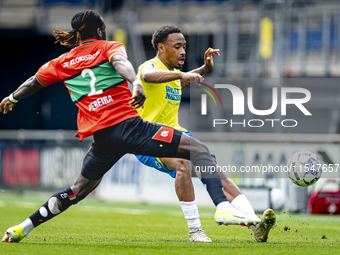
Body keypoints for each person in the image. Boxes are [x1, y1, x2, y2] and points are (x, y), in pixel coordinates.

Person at [0, 10, 258, 244]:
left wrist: (12, 98)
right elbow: (122, 64)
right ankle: (222, 206)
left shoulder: (61, 62)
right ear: (100, 30)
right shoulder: (109, 47)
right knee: (199, 150)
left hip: (103, 138)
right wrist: (134, 81)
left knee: (77, 190)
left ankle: (25, 226)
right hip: (130, 127)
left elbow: (33, 82)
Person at [134, 25, 276, 242]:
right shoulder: (150, 67)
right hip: (149, 137)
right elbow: (147, 75)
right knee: (183, 165)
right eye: (177, 46)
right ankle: (195, 231)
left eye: (185, 47)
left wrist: (205, 68)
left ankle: (254, 223)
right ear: (161, 48)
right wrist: (182, 73)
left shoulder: (173, 74)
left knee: (213, 169)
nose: (183, 51)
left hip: (175, 133)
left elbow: (182, 81)